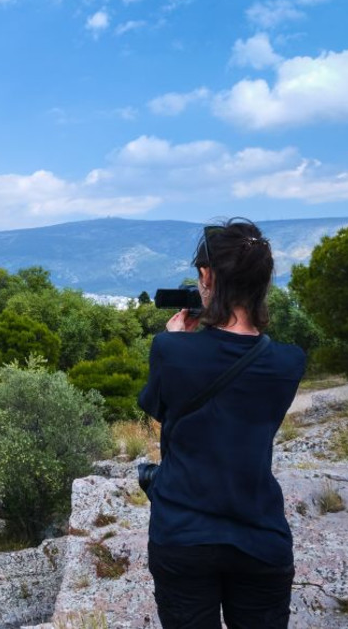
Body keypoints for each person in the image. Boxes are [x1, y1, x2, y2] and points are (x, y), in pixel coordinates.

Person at [137, 219, 305, 628]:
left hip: (183, 532)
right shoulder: (289, 362)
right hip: (260, 534)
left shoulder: (170, 350)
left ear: (207, 277)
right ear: (262, 282)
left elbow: (161, 410)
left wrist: (176, 340)